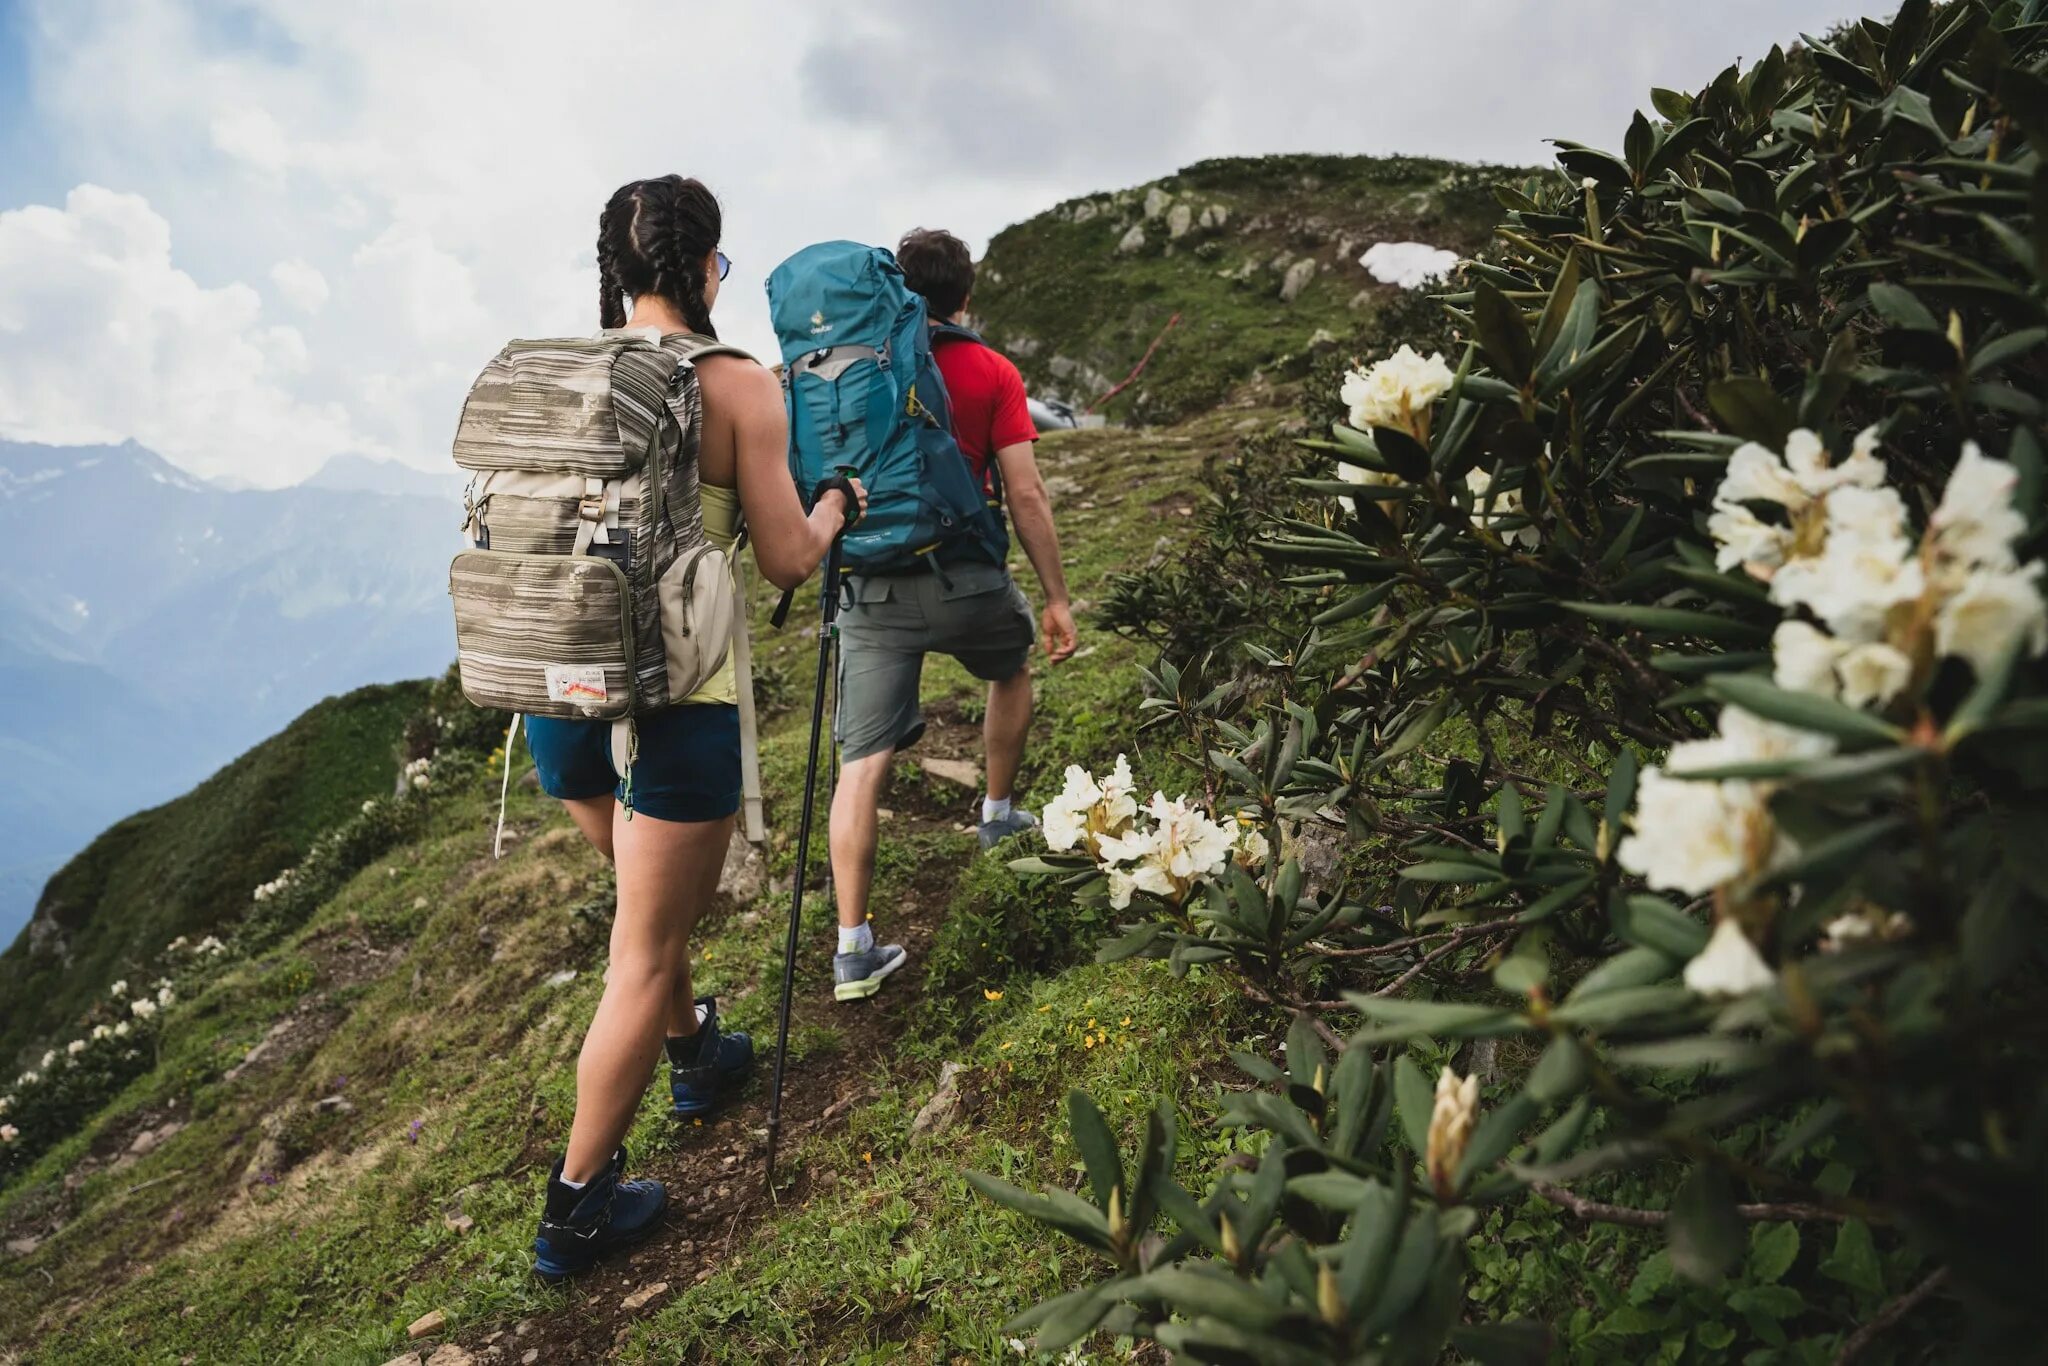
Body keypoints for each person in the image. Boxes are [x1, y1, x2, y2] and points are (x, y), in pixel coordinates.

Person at [529, 175, 866, 1281]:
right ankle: (575, 1208)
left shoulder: (561, 367)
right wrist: (835, 506)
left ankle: (695, 1055)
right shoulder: (735, 386)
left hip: (557, 697)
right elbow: (782, 560)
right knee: (645, 948)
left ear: (612, 271)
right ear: (707, 264)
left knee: (645, 919)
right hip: (675, 705)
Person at [825, 227, 1077, 1004]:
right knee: (1011, 665)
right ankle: (998, 813)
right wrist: (1058, 596)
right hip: (968, 580)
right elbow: (1026, 494)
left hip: (873, 593)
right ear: (966, 297)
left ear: (897, 294)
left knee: (861, 764)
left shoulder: (851, 370)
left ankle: (852, 949)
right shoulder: (990, 371)